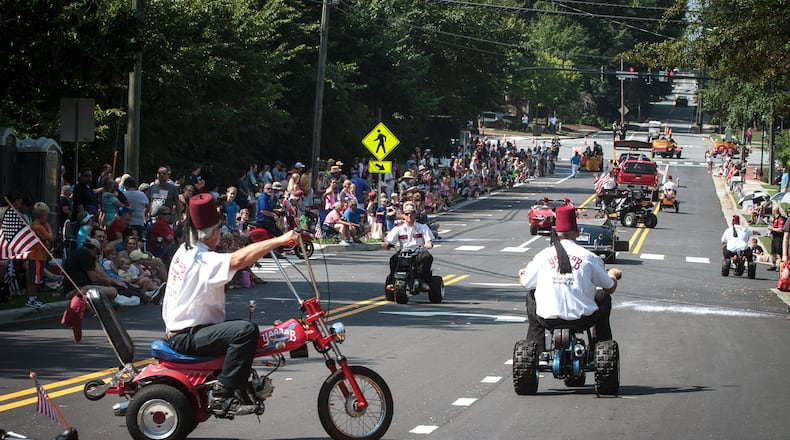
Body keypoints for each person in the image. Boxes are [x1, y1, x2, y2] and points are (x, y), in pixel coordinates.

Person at [161, 193, 297, 417]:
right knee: (245, 331)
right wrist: (279, 240)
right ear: (213, 232)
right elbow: (236, 260)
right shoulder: (200, 258)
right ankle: (222, 396)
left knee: (240, 328)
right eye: (220, 230)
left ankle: (240, 386)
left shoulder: (186, 250)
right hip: (187, 335)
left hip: (188, 330)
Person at [517, 205, 622, 361]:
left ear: (555, 233)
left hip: (548, 319)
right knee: (603, 297)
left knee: (531, 296)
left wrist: (522, 273)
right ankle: (600, 345)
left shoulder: (543, 256)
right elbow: (609, 287)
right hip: (582, 320)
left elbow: (525, 283)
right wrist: (612, 275)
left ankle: (538, 349)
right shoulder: (589, 257)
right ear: (577, 233)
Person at [382, 201, 435, 288]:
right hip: (404, 252)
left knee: (427, 257)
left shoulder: (422, 227)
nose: (409, 216)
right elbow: (390, 240)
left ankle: (424, 281)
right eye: (407, 213)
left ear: (415, 214)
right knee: (394, 259)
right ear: (403, 214)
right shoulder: (398, 228)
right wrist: (386, 244)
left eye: (412, 213)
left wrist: (428, 245)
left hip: (418, 252)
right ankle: (392, 281)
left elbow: (429, 241)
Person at [767, 205, 785, 271]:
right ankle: (773, 265)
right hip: (774, 237)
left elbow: (780, 229)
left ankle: (780, 266)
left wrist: (772, 228)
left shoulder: (780, 218)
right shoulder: (774, 218)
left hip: (778, 237)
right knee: (772, 252)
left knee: (778, 253)